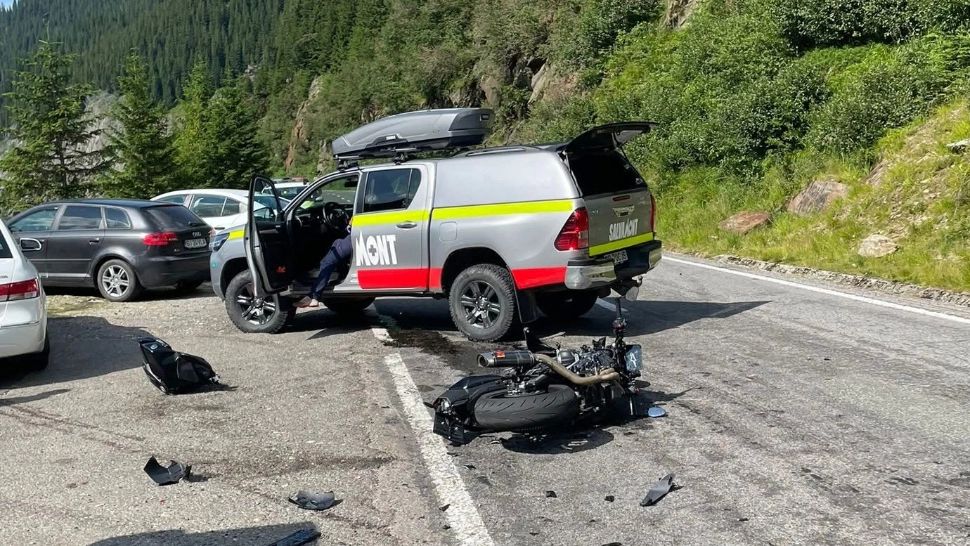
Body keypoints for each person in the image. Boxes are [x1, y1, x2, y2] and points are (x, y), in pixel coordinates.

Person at [295, 220, 352, 308]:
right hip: (356, 235)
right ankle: (343, 274)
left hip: (355, 237)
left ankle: (314, 296)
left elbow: (352, 224)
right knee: (336, 243)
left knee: (327, 262)